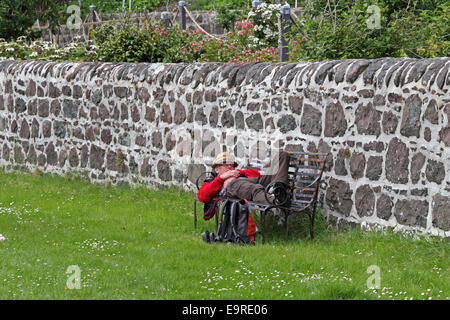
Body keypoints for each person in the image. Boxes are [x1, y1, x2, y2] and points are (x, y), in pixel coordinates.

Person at [197, 150, 291, 206]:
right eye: (226, 165)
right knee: (253, 188)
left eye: (231, 165)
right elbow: (202, 196)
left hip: (257, 182)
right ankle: (277, 201)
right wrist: (222, 178)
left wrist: (238, 173)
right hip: (237, 188)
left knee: (282, 155)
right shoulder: (213, 181)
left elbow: (257, 174)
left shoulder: (238, 173)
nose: (230, 167)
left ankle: (280, 190)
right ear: (217, 169)